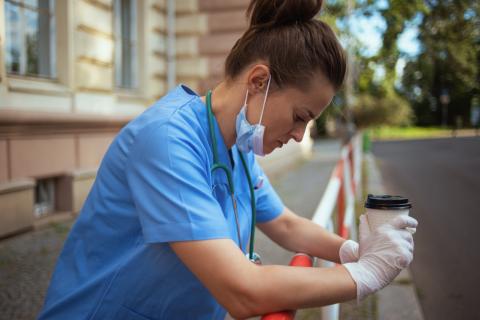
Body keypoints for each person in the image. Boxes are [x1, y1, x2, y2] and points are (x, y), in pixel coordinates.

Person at [38, 0, 417, 319]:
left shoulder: (237, 143)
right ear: (258, 82)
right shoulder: (168, 141)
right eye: (300, 116)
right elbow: (242, 291)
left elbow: (284, 224)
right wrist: (364, 274)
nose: (300, 135)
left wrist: (350, 250)